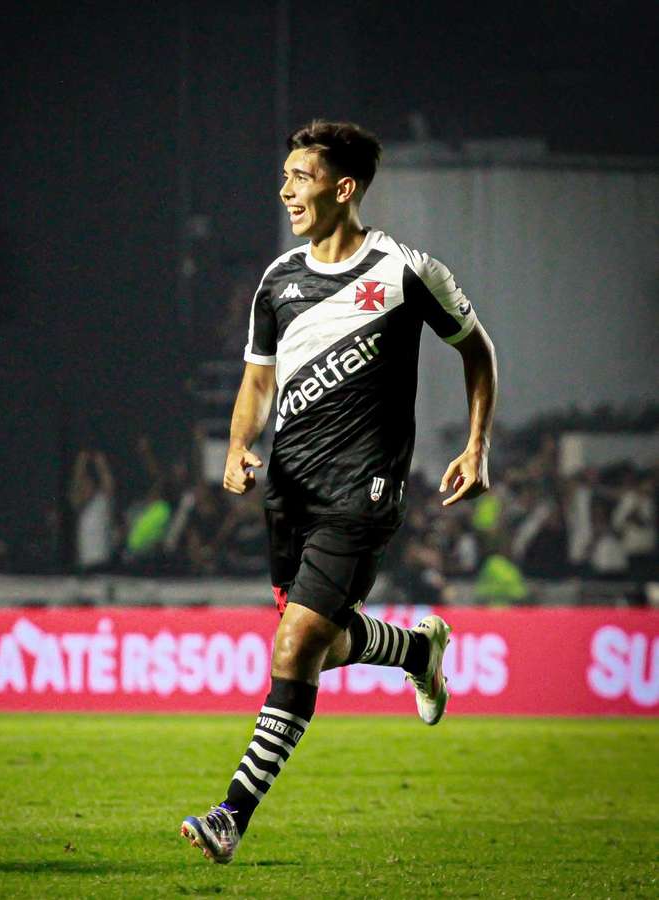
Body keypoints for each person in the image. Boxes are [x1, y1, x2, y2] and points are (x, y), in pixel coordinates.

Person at [181, 121, 497, 863]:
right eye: (286, 175)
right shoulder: (278, 280)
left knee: (293, 648)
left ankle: (231, 815)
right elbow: (259, 379)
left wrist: (477, 444)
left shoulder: (407, 272)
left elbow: (476, 350)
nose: (286, 189)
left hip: (364, 493)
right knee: (314, 651)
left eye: (301, 176)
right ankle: (417, 651)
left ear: (342, 187)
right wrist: (237, 444)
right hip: (288, 493)